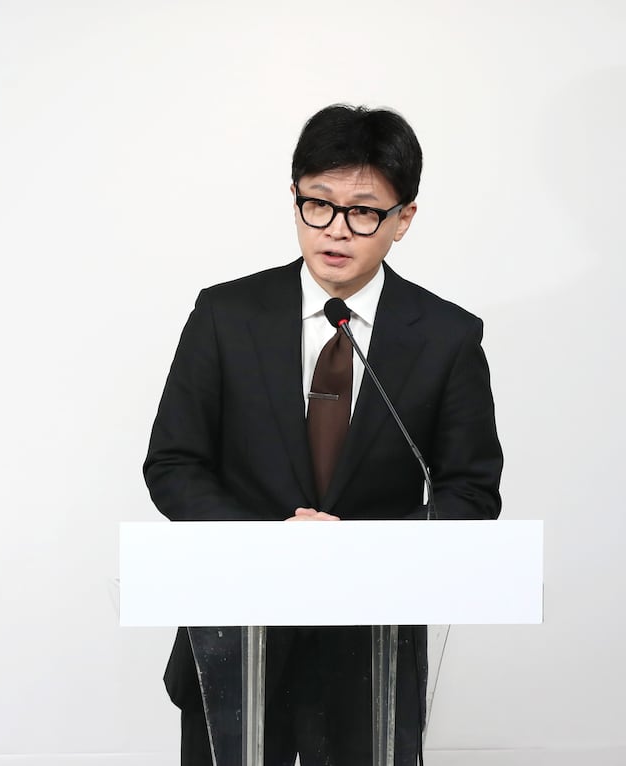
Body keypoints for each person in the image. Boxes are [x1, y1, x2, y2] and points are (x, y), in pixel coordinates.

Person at [143, 104, 503, 765]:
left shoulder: (447, 337)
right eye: (319, 204)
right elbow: (173, 464)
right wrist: (273, 542)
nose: (336, 228)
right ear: (294, 198)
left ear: (403, 219)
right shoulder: (226, 314)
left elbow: (471, 492)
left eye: (363, 211)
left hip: (370, 657)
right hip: (238, 639)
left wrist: (360, 551)